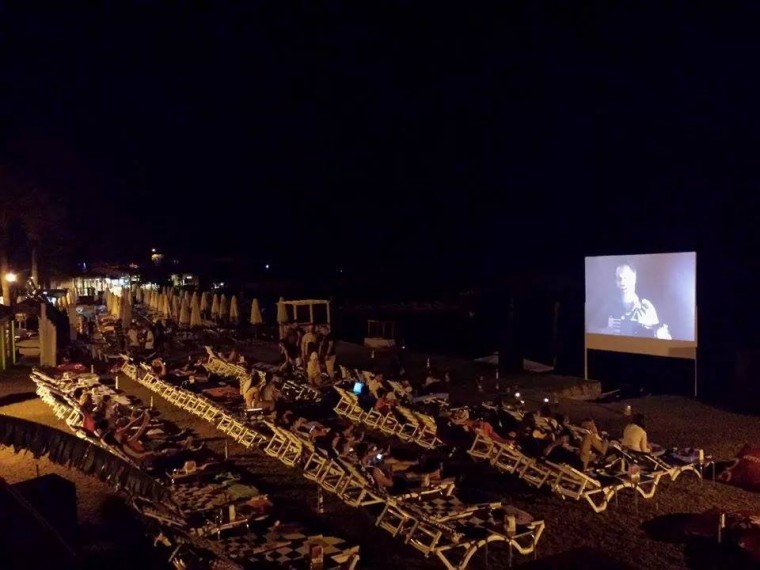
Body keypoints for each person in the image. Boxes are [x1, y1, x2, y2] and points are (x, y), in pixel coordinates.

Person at [591, 261, 672, 339]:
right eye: (619, 279)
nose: (622, 282)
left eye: (626, 278)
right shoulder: (610, 306)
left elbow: (659, 335)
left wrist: (662, 335)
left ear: (634, 278)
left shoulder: (646, 307)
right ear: (616, 282)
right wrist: (604, 332)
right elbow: (590, 329)